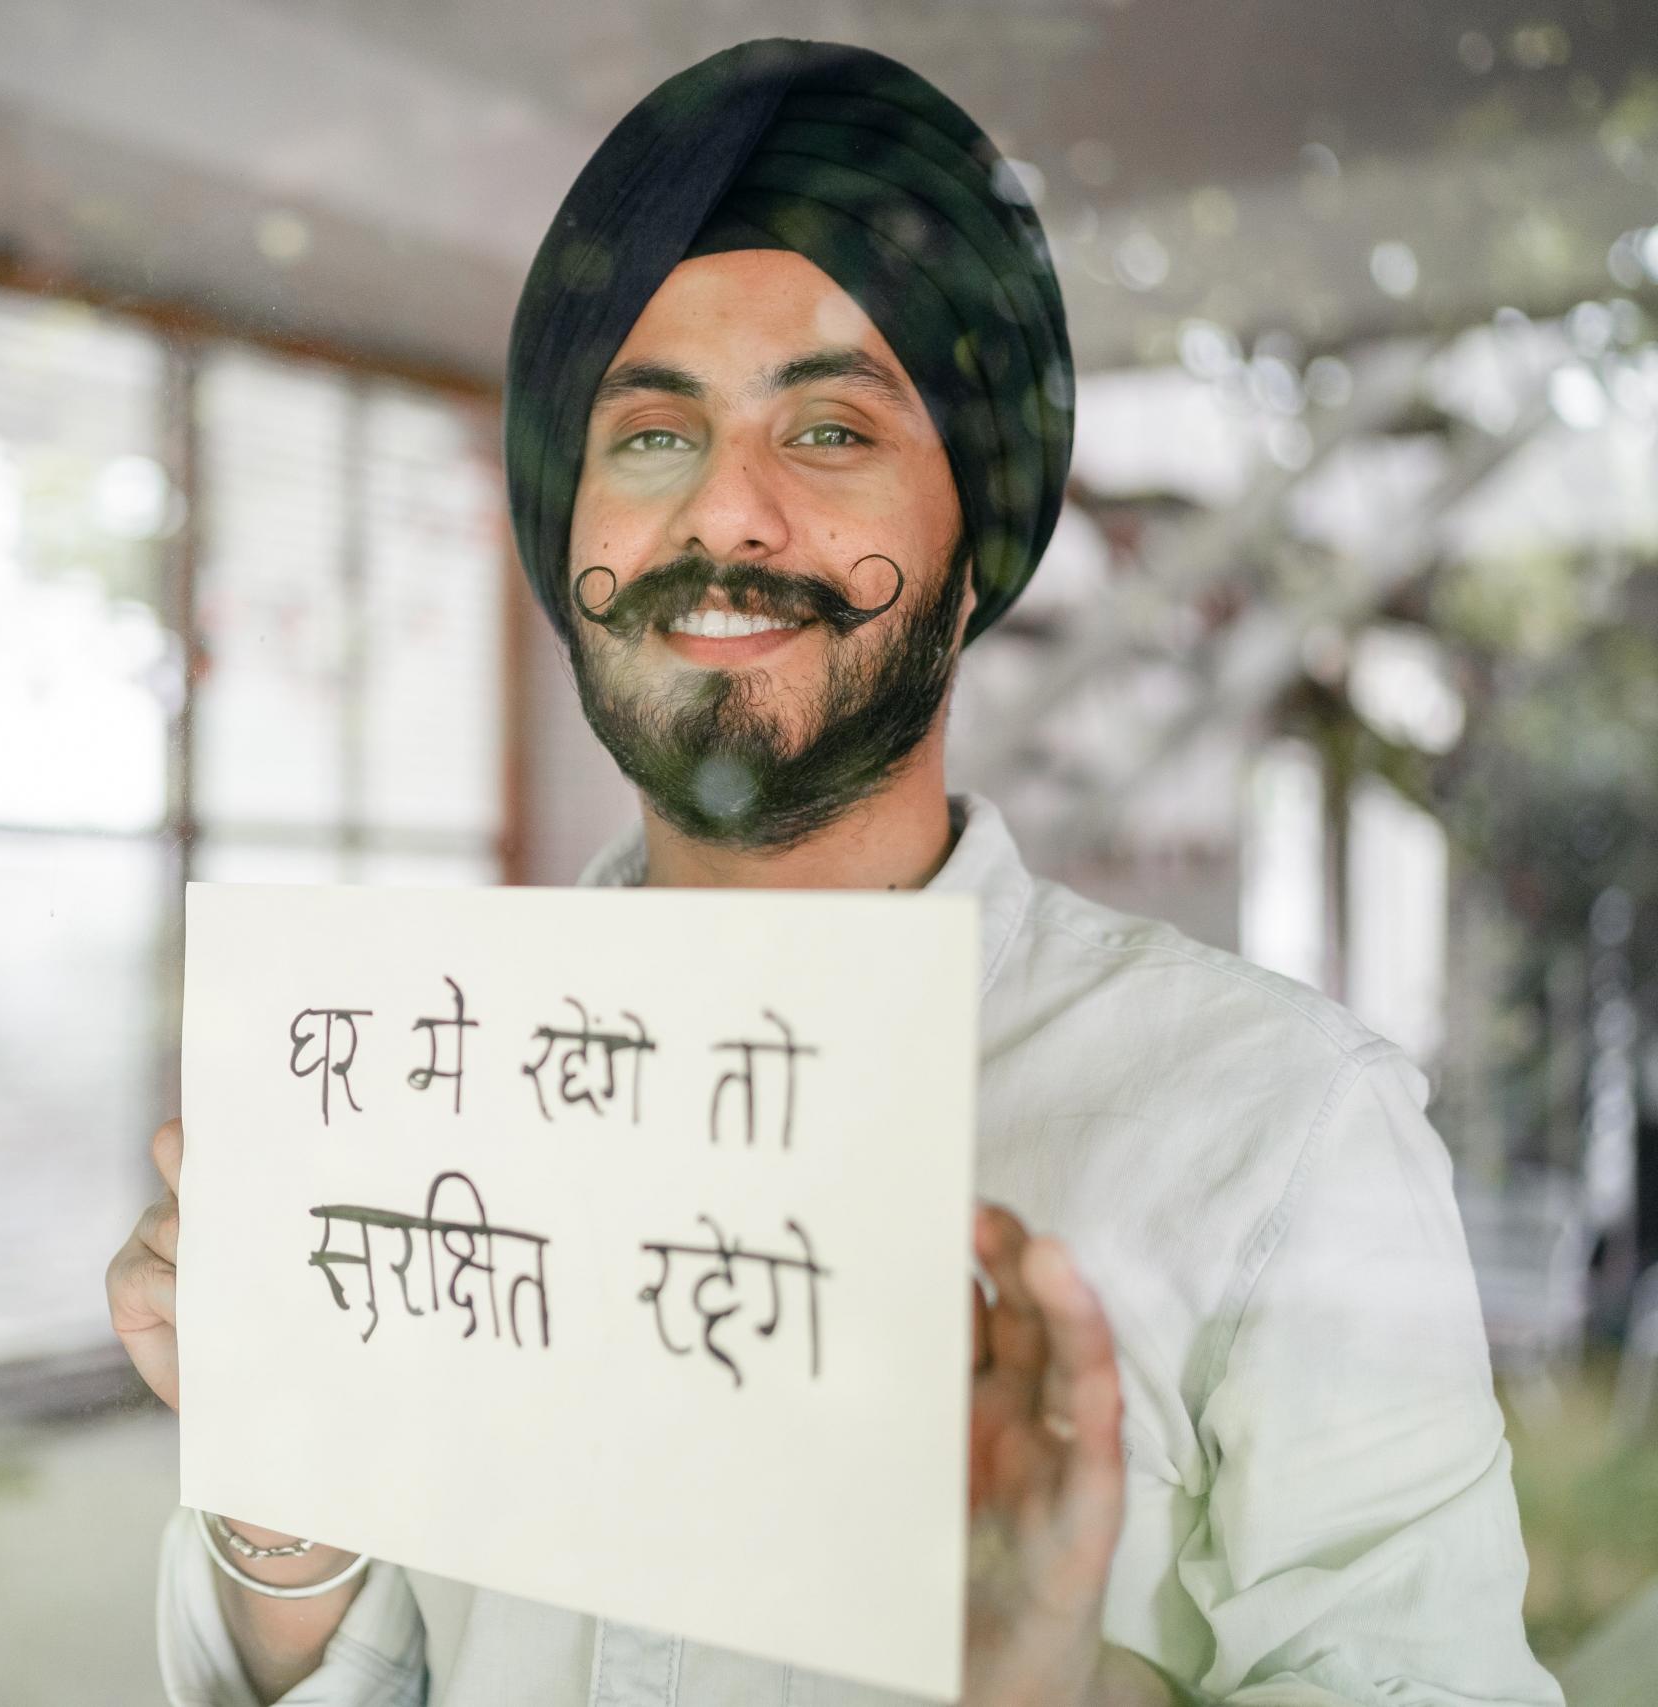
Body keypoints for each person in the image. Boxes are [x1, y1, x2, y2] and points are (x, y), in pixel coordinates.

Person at [106, 37, 1563, 1707]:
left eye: (830, 428)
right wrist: (286, 1509)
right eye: (650, 435)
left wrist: (1042, 1678)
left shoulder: (1287, 1136)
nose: (727, 511)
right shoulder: (424, 1109)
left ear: (974, 550)